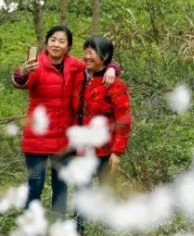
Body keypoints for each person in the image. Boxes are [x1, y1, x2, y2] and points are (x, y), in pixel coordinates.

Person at [12, 25, 116, 217]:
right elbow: (21, 82)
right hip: (37, 137)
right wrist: (22, 72)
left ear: (68, 46)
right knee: (35, 185)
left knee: (60, 187)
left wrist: (112, 68)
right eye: (53, 39)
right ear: (46, 42)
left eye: (62, 41)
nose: (56, 44)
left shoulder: (75, 65)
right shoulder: (36, 64)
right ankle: (30, 226)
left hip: (63, 138)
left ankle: (57, 226)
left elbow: (97, 64)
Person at [72, 35, 132, 180]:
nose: (87, 57)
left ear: (104, 56)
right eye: (85, 52)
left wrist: (117, 152)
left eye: (91, 53)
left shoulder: (115, 85)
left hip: (104, 150)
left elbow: (123, 120)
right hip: (81, 148)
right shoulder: (79, 78)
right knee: (82, 193)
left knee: (105, 195)